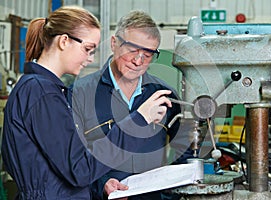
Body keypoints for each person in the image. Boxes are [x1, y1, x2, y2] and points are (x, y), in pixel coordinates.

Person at [1, 6, 173, 199]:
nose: (90, 59)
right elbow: (80, 169)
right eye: (88, 49)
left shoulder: (42, 89)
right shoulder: (42, 93)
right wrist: (139, 120)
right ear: (64, 41)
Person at [71, 10, 193, 200]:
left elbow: (185, 148)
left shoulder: (164, 96)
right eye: (132, 50)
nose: (138, 61)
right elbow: (71, 159)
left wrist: (172, 195)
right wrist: (101, 185)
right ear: (114, 43)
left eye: (148, 54)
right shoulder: (80, 94)